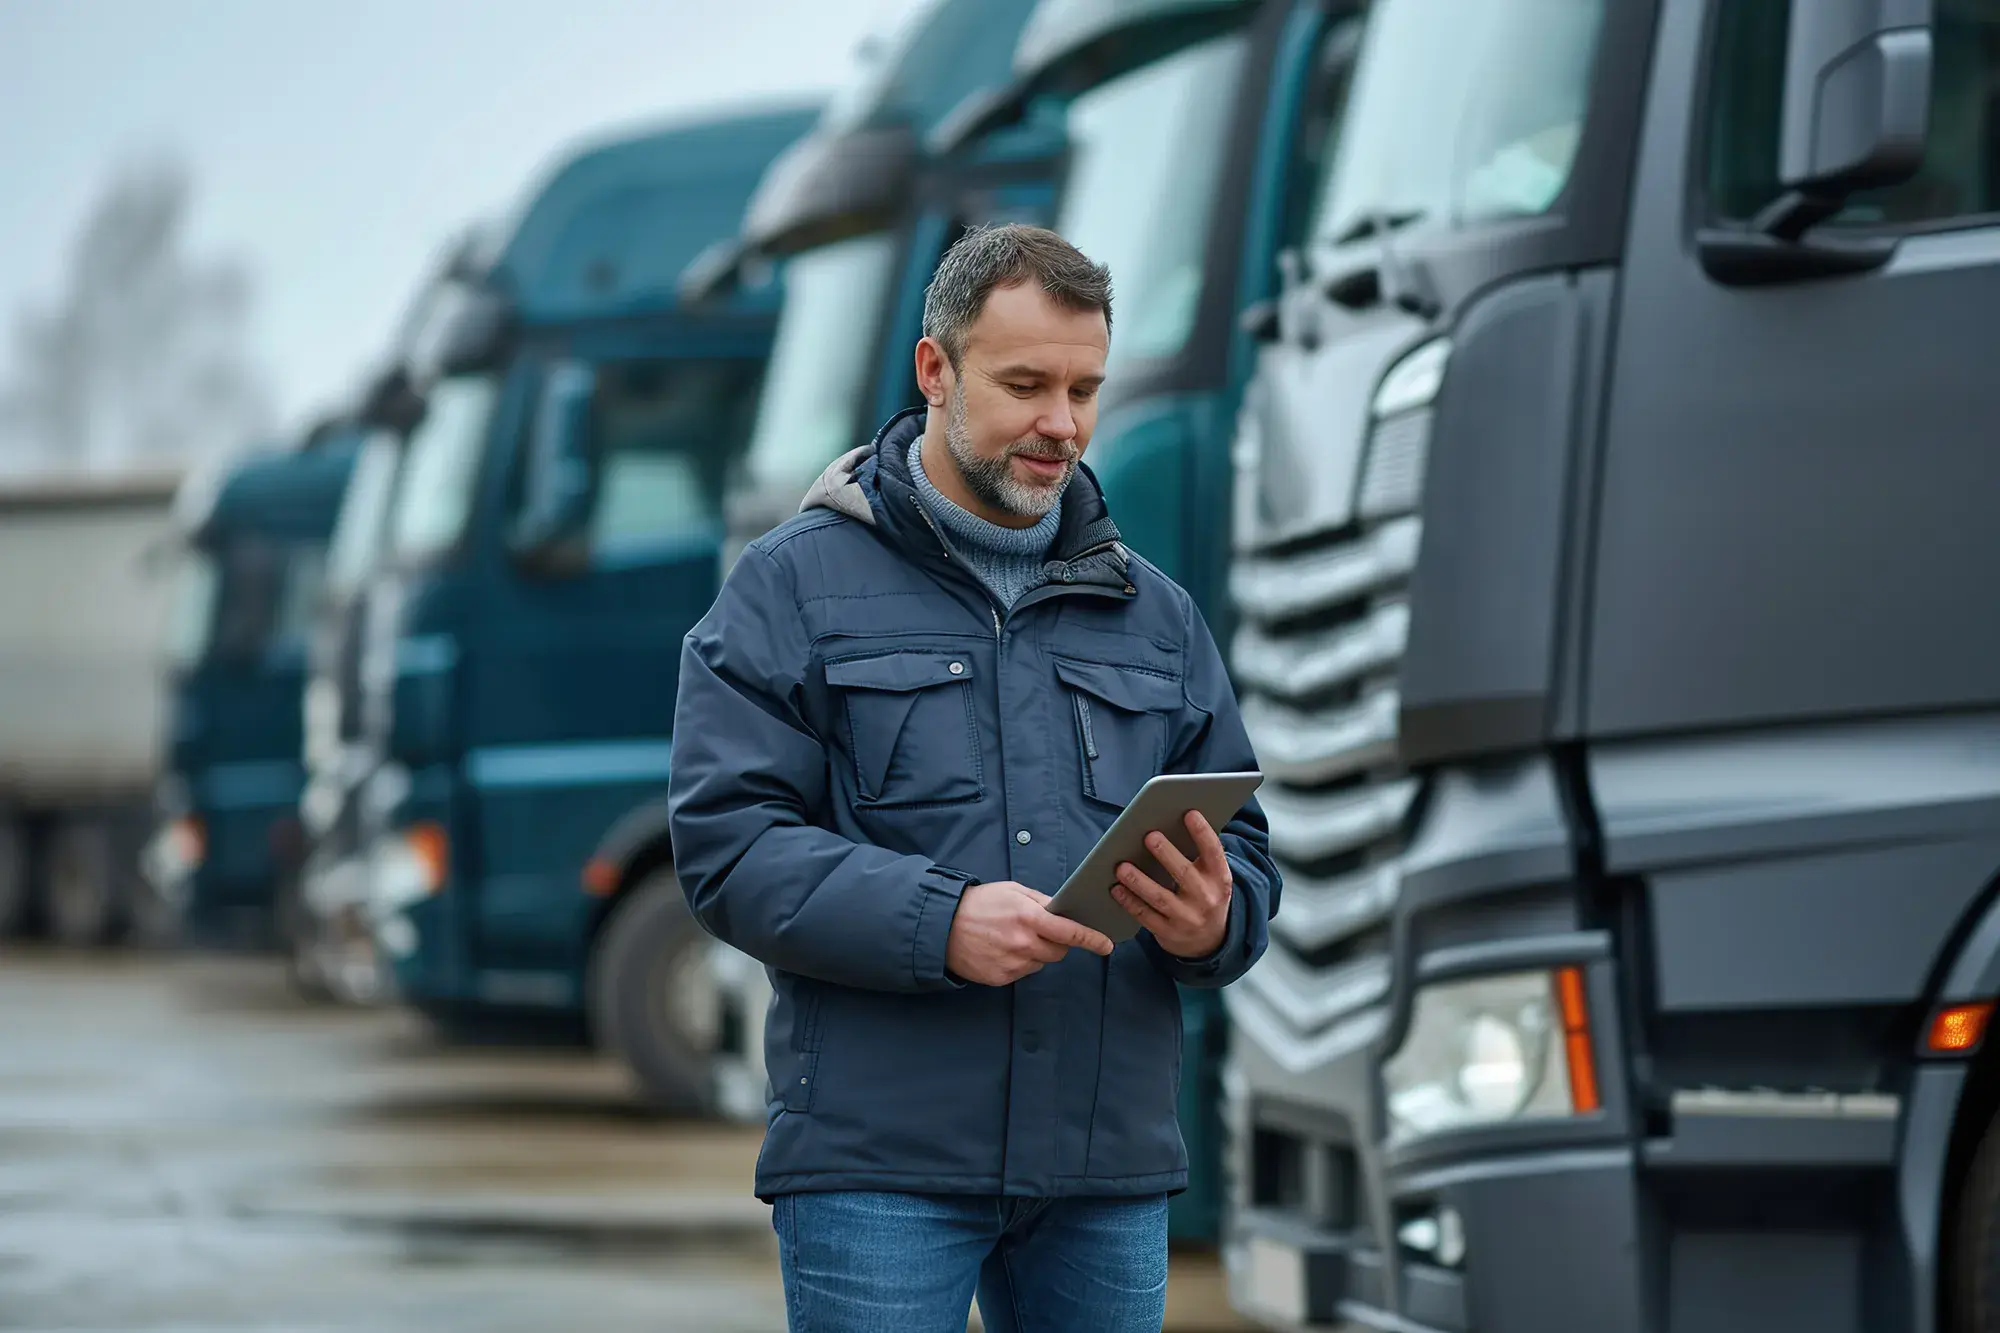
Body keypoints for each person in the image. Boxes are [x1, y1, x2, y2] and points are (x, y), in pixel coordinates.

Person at [666, 223, 1279, 1333]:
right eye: (1026, 383)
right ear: (934, 370)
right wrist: (933, 921)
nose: (1062, 424)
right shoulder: (788, 590)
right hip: (879, 1163)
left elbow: (1242, 846)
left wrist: (1212, 916)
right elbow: (728, 847)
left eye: (1085, 388)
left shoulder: (1157, 615)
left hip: (1105, 1166)